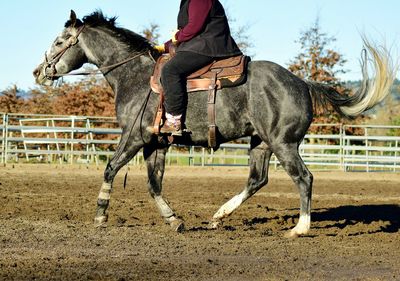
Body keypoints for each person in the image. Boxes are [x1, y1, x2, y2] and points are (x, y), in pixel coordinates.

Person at [154, 0, 242, 136]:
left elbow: (193, 27)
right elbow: (186, 32)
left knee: (170, 70)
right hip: (199, 44)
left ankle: (174, 120)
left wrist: (176, 37)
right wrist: (165, 45)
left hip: (208, 46)